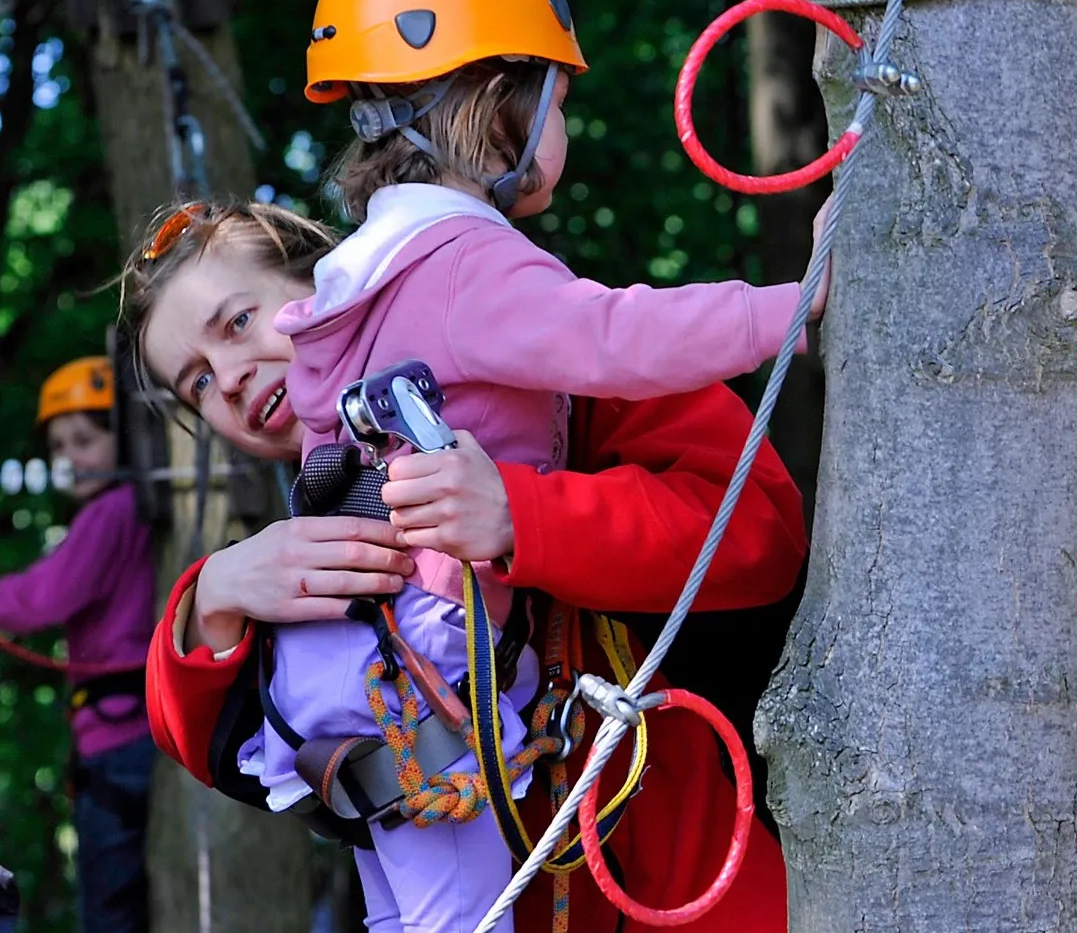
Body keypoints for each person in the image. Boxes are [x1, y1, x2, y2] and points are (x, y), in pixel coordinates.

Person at [128, 198, 805, 932]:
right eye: (195, 382)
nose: (226, 379)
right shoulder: (310, 519)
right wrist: (214, 599)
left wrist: (521, 514)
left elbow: (759, 530)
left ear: (319, 283)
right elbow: (209, 744)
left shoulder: (556, 348)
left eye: (237, 322)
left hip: (685, 878)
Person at [0, 357, 156, 933]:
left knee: (109, 913)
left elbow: (43, 598)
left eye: (86, 440)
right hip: (128, 734)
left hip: (121, 741)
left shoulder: (109, 512)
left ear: (126, 436)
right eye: (60, 446)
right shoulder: (123, 510)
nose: (71, 458)